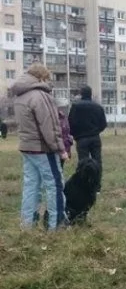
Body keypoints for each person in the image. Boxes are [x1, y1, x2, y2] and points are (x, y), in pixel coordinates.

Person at [11, 64, 69, 231]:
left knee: (31, 186)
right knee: (55, 185)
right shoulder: (40, 96)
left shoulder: (20, 96)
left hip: (27, 147)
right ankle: (56, 225)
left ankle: (27, 225)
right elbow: (49, 126)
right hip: (43, 149)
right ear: (42, 78)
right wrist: (60, 149)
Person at [68, 85, 107, 192]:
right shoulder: (98, 107)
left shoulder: (76, 106)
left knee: (83, 162)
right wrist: (96, 131)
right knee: (97, 161)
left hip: (81, 139)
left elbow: (70, 122)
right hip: (95, 137)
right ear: (90, 94)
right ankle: (97, 187)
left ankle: (84, 185)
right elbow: (103, 123)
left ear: (81, 94)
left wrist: (75, 134)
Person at [56, 99, 74, 169]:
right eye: (64, 107)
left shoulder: (65, 118)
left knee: (60, 167)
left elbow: (67, 132)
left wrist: (70, 139)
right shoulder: (55, 118)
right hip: (58, 148)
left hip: (65, 146)